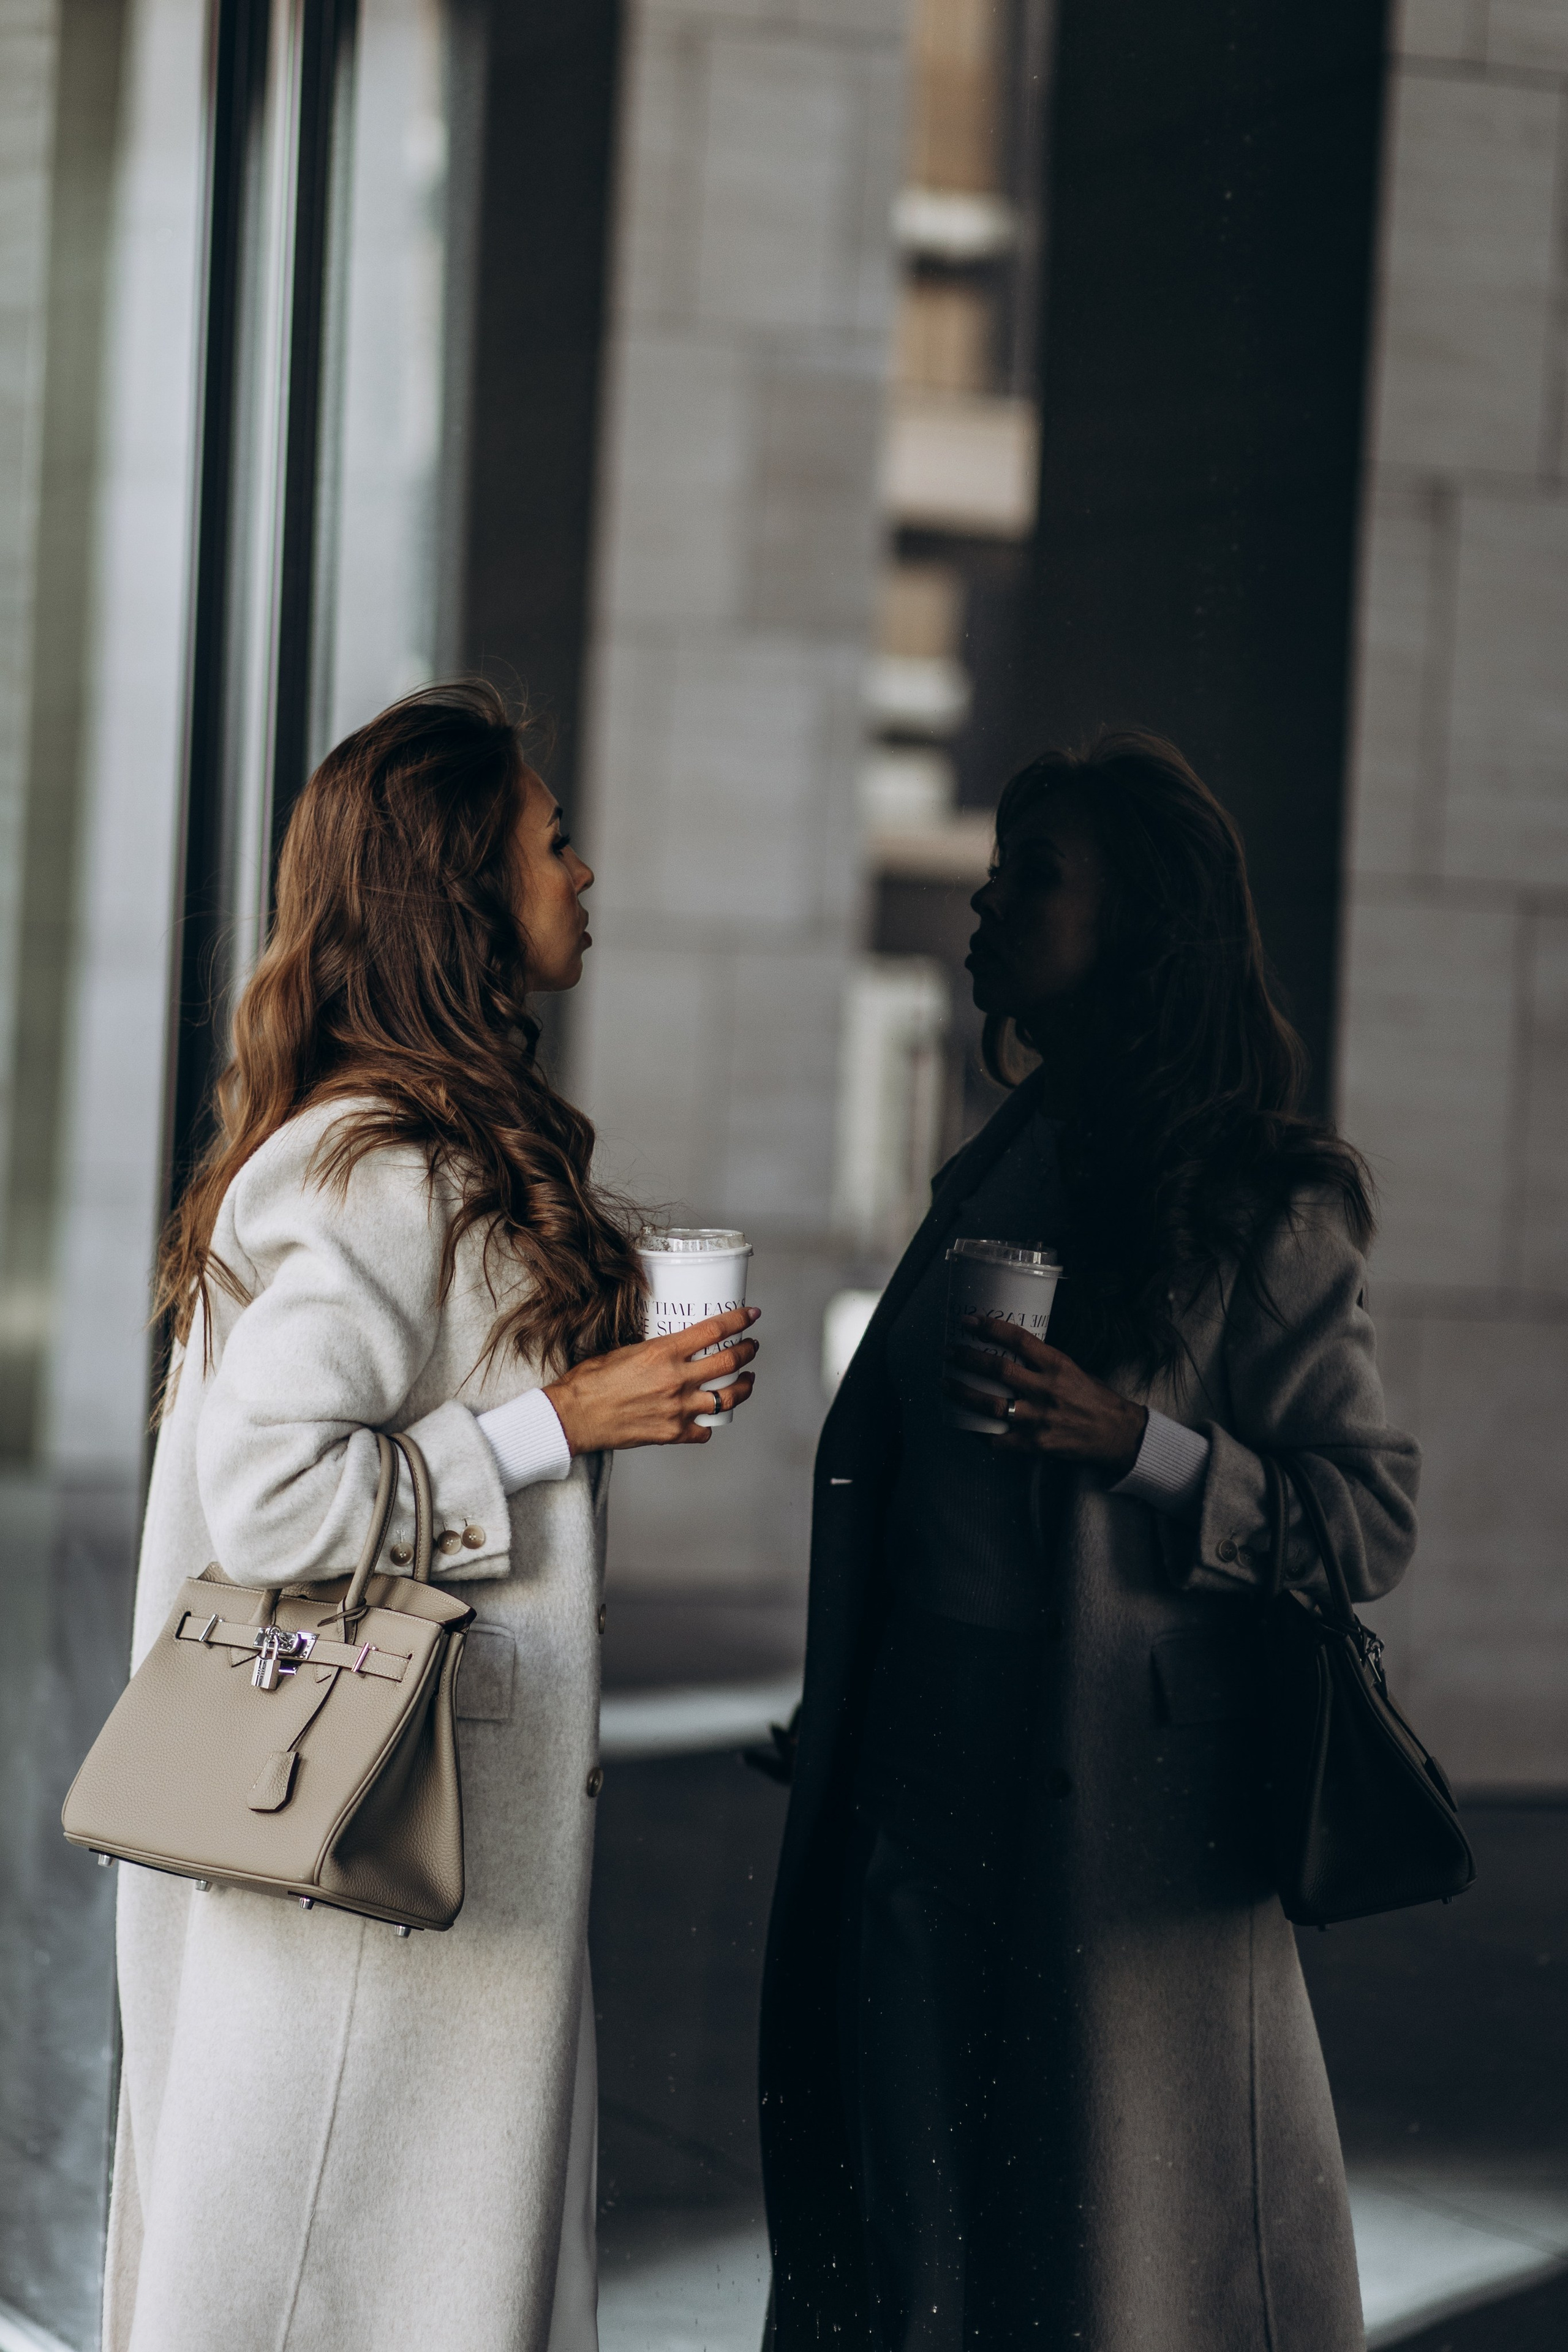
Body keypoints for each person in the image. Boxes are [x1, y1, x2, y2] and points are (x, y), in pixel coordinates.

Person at [105, 682, 759, 2352]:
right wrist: (559, 1422)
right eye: (553, 844)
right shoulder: (380, 1165)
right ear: (459, 892)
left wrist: (575, 1402)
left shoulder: (406, 1150)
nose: (586, 874)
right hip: (377, 1904)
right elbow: (274, 1496)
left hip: (408, 1898)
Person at [758, 731, 1418, 2352]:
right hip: (918, 1772)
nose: (986, 906)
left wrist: (1142, 1446)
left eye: (1029, 877)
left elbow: (1369, 1514)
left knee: (1106, 2255)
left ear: (1137, 924)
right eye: (991, 873)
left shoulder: (1265, 1203)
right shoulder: (998, 1159)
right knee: (920, 2232)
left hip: (1121, 1815)